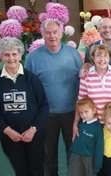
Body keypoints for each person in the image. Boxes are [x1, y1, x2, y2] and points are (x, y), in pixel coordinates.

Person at [25, 19, 82, 176]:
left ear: (61, 33)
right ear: (42, 34)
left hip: (72, 113)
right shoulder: (33, 58)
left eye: (55, 32)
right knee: (48, 156)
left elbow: (82, 80)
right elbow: (28, 88)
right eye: (48, 32)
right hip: (45, 115)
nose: (52, 36)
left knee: (74, 154)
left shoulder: (73, 54)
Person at [0, 37, 49, 176]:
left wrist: (32, 129)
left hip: (33, 135)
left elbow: (44, 106)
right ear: (1, 56)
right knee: (20, 170)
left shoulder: (32, 79)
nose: (11, 58)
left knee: (36, 169)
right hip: (10, 137)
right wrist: (8, 131)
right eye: (6, 54)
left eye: (14, 54)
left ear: (20, 55)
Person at [73, 44, 111, 141]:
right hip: (93, 124)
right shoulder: (86, 75)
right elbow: (80, 102)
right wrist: (75, 122)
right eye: (98, 55)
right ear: (93, 58)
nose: (102, 59)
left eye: (105, 55)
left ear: (109, 58)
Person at [67, 98, 104, 176]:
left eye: (86, 112)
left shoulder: (97, 128)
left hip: (89, 159)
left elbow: (99, 147)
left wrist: (97, 165)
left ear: (94, 110)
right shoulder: (79, 125)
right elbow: (74, 143)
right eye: (81, 113)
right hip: (75, 158)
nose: (83, 115)